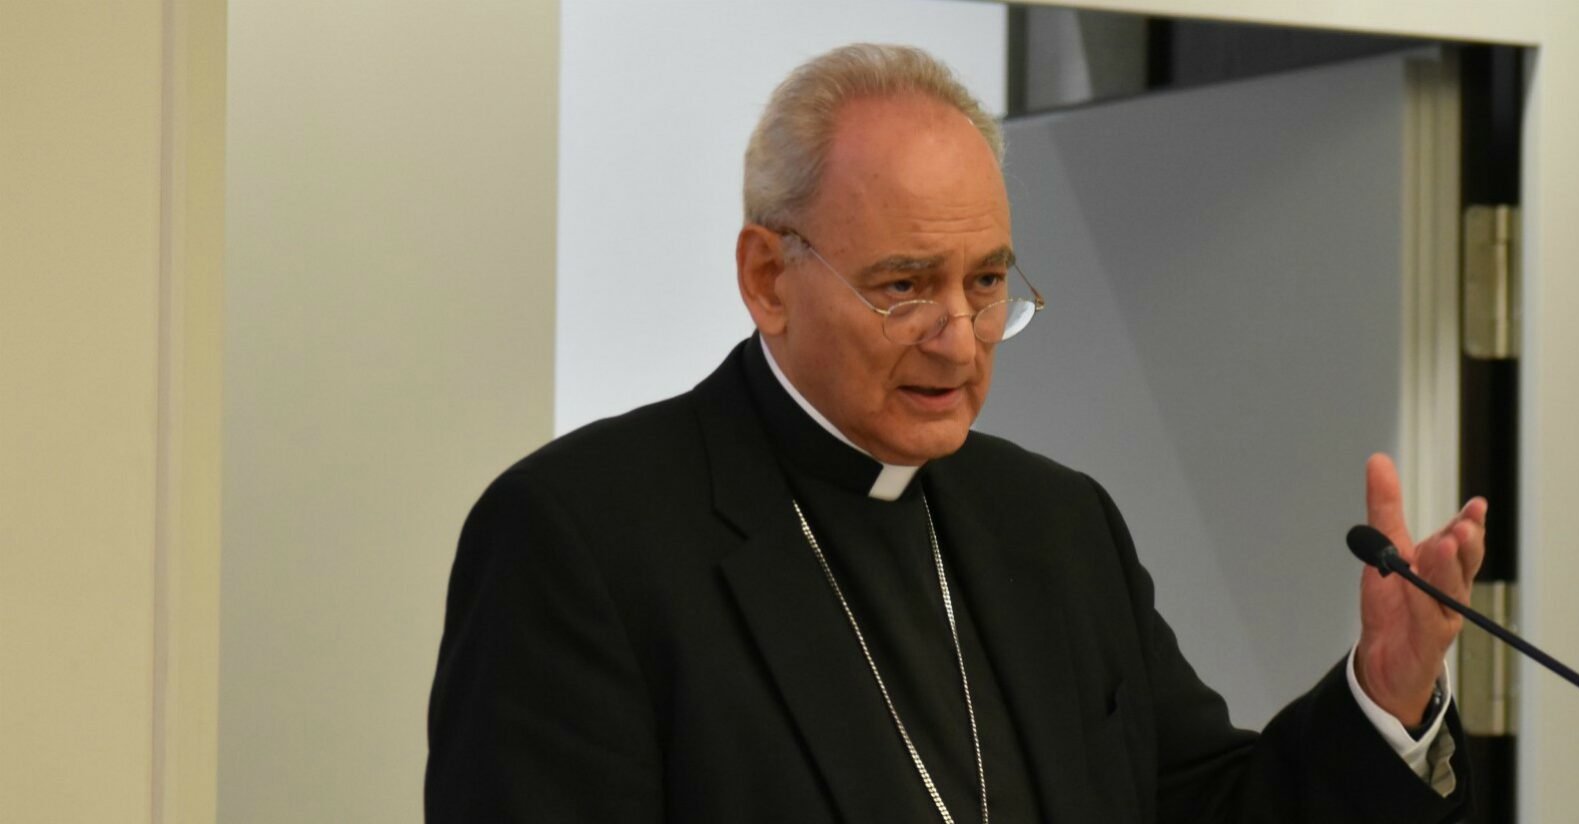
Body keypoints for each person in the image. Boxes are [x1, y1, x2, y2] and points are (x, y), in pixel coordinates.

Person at [426, 43, 1485, 823]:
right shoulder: (580, 536)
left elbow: (1206, 807)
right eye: (903, 286)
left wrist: (1381, 697)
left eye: (986, 282)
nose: (960, 339)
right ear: (767, 278)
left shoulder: (1056, 525)